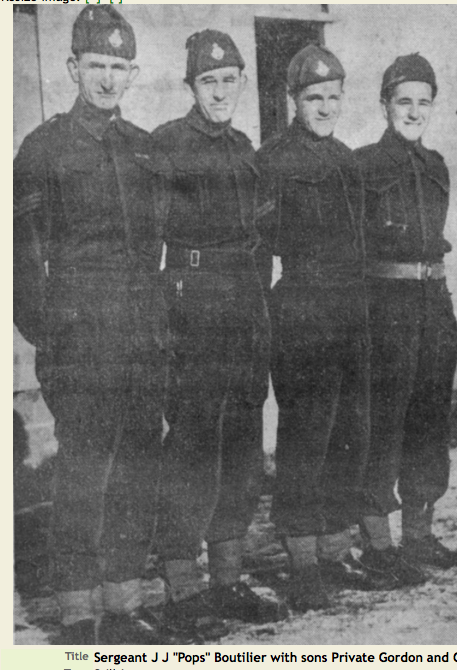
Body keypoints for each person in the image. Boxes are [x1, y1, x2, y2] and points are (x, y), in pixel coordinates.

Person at [13, 6, 173, 644]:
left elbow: (155, 249)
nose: (107, 78)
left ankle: (124, 606)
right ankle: (80, 615)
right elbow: (22, 259)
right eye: (96, 65)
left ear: (132, 73)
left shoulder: (143, 148)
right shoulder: (44, 149)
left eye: (118, 66)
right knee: (83, 475)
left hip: (141, 336)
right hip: (81, 339)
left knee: (136, 469)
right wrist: (55, 335)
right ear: (72, 68)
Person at [151, 30, 286, 638]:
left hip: (244, 308)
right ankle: (183, 589)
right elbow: (146, 240)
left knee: (241, 444)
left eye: (230, 80)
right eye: (209, 81)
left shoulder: (244, 149)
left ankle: (228, 579)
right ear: (191, 86)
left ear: (242, 83)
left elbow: (260, 239)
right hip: (194, 308)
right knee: (193, 448)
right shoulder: (167, 146)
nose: (221, 91)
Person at [256, 44, 390, 612]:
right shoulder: (272, 160)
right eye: (315, 97)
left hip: (351, 310)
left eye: (334, 96)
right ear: (294, 99)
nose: (326, 107)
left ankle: (336, 553)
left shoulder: (345, 159)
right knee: (305, 440)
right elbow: (259, 246)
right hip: (303, 311)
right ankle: (304, 564)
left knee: (350, 436)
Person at [354, 54, 457, 573]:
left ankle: (419, 536)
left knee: (429, 423)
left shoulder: (436, 165)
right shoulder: (364, 166)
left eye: (424, 102)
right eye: (404, 102)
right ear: (385, 105)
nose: (414, 112)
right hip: (387, 305)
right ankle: (379, 546)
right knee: (383, 423)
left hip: (433, 304)